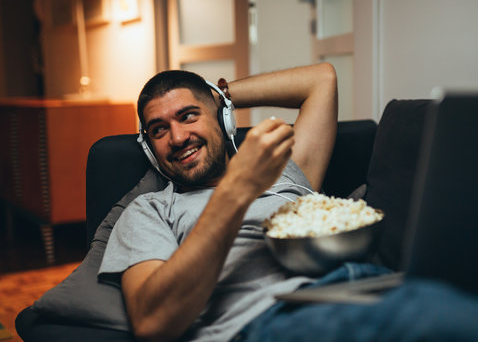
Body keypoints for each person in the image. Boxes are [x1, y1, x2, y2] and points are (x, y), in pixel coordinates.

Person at [98, 63, 342, 341]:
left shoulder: (282, 170)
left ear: (223, 119)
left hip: (352, 290)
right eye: (158, 130)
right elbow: (152, 321)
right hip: (269, 323)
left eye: (188, 116)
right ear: (150, 150)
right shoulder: (149, 211)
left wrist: (218, 95)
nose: (177, 138)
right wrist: (236, 189)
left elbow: (321, 79)